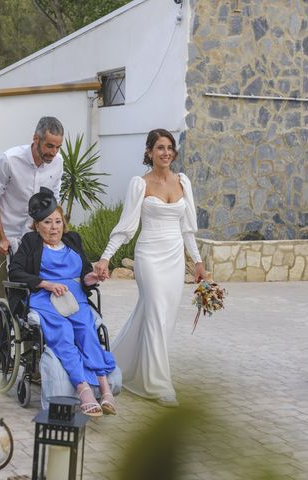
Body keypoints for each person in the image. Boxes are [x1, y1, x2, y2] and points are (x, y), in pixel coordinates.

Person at [94, 128, 207, 408]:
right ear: (149, 152)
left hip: (175, 258)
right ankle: (158, 384)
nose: (166, 152)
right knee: (155, 309)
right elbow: (126, 227)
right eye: (159, 147)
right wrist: (106, 257)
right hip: (149, 256)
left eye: (169, 147)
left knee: (162, 316)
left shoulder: (184, 182)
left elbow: (188, 229)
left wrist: (199, 262)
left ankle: (122, 365)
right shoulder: (139, 184)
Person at [9, 187, 117, 417]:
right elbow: (15, 272)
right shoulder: (30, 242)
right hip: (45, 298)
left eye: (57, 221)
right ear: (37, 225)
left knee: (87, 330)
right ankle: (82, 388)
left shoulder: (73, 240)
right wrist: (45, 284)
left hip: (75, 297)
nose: (54, 227)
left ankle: (104, 386)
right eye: (47, 222)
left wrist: (94, 277)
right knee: (64, 332)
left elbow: (85, 275)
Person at [0, 116, 64, 307]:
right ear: (36, 139)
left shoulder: (58, 162)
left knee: (33, 288)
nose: (53, 152)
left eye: (58, 147)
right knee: (1, 293)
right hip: (3, 231)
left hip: (32, 237)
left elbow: (54, 199)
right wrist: (2, 237)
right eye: (49, 146)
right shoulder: (9, 160)